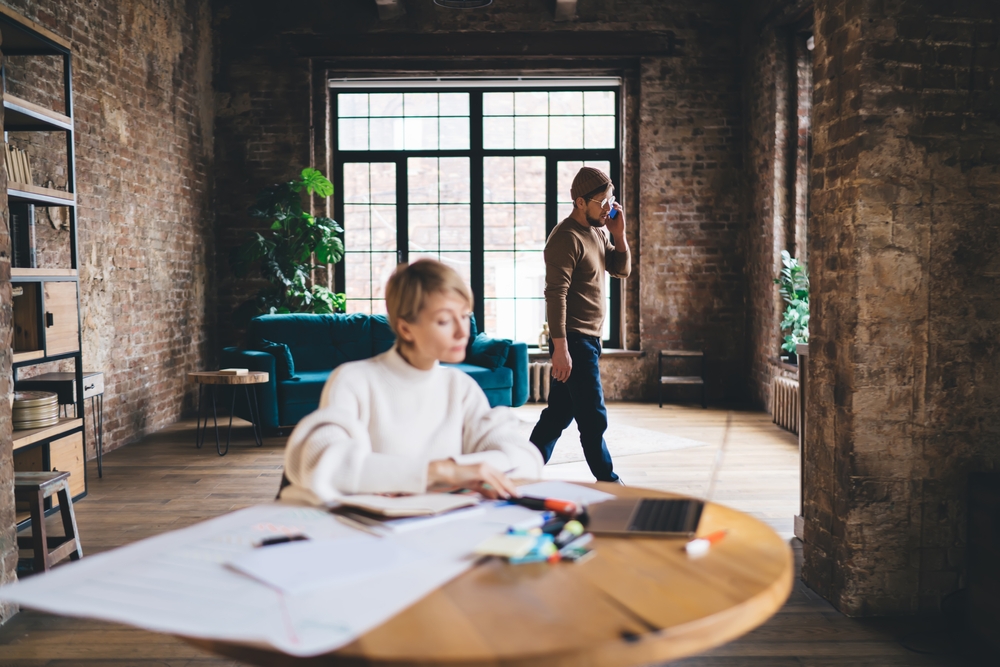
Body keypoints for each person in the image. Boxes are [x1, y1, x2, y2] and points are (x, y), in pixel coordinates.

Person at [281, 259, 543, 506]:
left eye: (464, 316)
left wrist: (467, 471)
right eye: (444, 320)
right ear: (406, 328)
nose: (462, 332)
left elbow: (526, 459)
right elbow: (324, 465)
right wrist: (444, 471)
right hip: (373, 535)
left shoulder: (460, 387)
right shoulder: (354, 380)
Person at [530, 167, 631, 483]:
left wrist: (619, 235)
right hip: (574, 341)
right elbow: (555, 295)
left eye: (610, 199)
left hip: (589, 340)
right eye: (602, 201)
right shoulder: (565, 238)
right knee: (593, 417)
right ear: (579, 201)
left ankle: (521, 470)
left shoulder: (599, 231)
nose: (608, 207)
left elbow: (620, 269)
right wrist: (560, 349)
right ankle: (609, 481)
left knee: (557, 415)